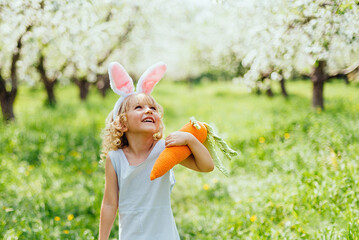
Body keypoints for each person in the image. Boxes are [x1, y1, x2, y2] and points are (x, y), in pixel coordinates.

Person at [98, 62, 214, 240]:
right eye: (139, 108)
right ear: (122, 123)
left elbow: (206, 166)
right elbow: (109, 203)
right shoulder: (115, 159)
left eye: (153, 108)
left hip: (164, 234)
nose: (148, 111)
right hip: (131, 235)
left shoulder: (165, 149)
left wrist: (190, 140)